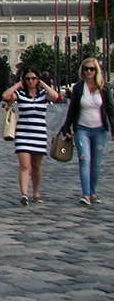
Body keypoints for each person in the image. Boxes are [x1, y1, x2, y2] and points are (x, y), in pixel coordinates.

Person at [3, 67, 62, 206]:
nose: (31, 81)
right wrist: (19, 84)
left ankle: (36, 193)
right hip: (23, 134)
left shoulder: (43, 95)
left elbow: (56, 96)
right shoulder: (21, 94)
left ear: (38, 79)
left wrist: (43, 84)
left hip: (39, 134)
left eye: (34, 78)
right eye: (28, 78)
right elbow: (6, 96)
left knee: (36, 166)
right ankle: (24, 194)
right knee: (25, 165)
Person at [60, 59, 114, 206]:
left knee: (96, 163)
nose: (88, 72)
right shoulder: (78, 88)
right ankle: (86, 195)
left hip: (99, 130)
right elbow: (73, 109)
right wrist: (67, 127)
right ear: (82, 71)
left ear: (96, 71)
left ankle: (93, 192)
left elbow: (110, 109)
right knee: (85, 159)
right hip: (82, 129)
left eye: (91, 69)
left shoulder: (103, 88)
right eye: (86, 69)